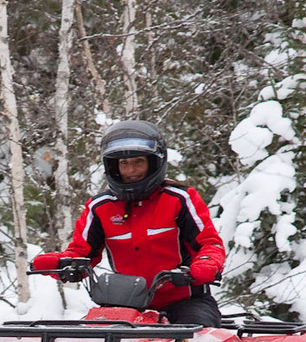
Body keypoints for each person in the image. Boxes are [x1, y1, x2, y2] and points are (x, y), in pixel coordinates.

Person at [32, 120, 227, 327]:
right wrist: (59, 264)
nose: (131, 170)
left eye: (138, 161)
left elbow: (209, 243)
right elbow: (81, 253)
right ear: (112, 166)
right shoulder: (100, 208)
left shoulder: (179, 199)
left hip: (184, 302)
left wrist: (205, 265)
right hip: (124, 306)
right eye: (123, 164)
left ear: (154, 162)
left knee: (196, 340)